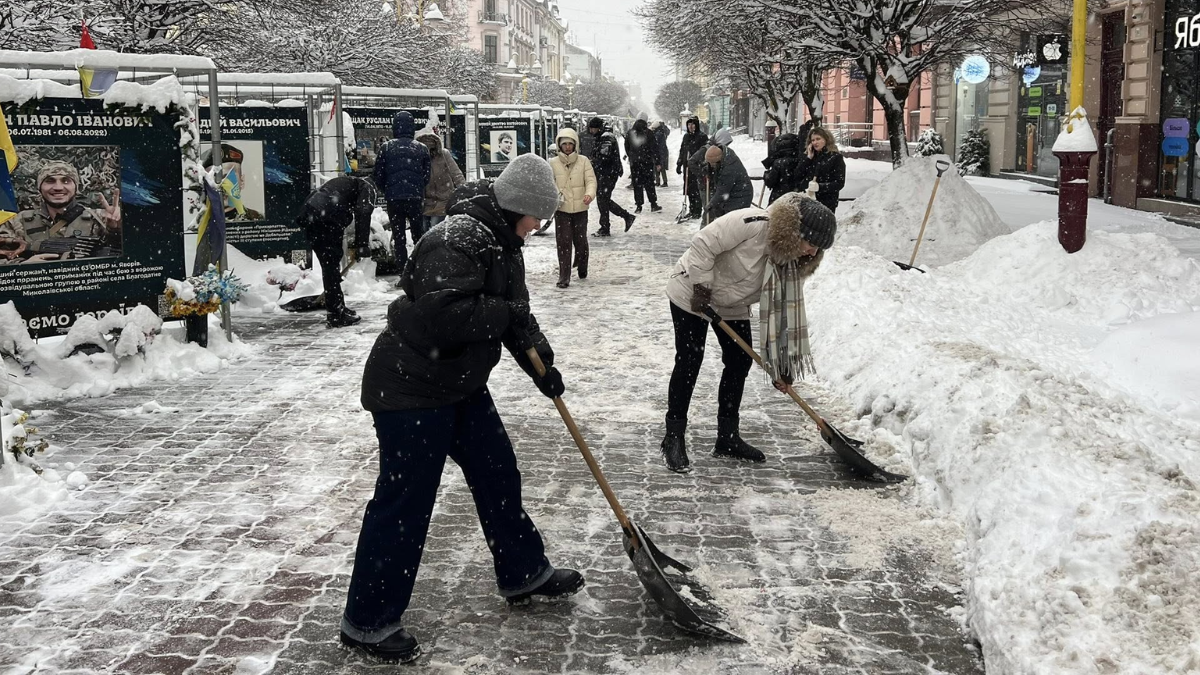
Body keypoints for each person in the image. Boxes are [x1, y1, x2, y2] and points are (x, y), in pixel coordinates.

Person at [343, 154, 584, 663]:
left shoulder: (503, 239)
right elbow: (443, 318)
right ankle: (367, 620)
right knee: (404, 503)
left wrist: (543, 364)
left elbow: (513, 315)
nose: (539, 226)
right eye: (537, 216)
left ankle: (523, 572)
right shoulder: (457, 239)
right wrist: (507, 313)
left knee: (498, 472)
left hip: (459, 383)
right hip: (410, 390)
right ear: (518, 206)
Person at [660, 192, 837, 473]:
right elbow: (703, 244)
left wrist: (783, 365)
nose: (813, 253)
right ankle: (674, 436)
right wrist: (702, 288)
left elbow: (783, 311)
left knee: (739, 362)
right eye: (812, 244)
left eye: (819, 249)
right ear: (795, 233)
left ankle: (727, 437)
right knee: (690, 361)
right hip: (693, 292)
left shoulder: (792, 260)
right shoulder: (752, 223)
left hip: (732, 303)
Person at [294, 175, 375, 328]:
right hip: (326, 218)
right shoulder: (367, 187)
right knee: (331, 266)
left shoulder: (346, 182)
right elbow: (363, 213)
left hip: (310, 214)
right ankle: (336, 314)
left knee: (329, 265)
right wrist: (362, 245)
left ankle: (338, 306)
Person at [19, 161, 121, 261]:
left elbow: (123, 256)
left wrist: (117, 229)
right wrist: (24, 266)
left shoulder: (100, 218)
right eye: (50, 181)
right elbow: (3, 258)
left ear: (76, 187)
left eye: (66, 181)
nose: (58, 187)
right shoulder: (19, 221)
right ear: (39, 187)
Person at [373, 111, 431, 272]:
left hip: (394, 198)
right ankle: (419, 268)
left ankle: (403, 270)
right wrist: (418, 188)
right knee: (418, 233)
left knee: (399, 237)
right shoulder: (421, 148)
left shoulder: (386, 148)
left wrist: (387, 189)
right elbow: (427, 175)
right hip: (415, 197)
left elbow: (378, 174)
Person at [548, 128, 597, 289]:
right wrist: (556, 195)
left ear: (575, 144)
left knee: (580, 240)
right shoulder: (552, 163)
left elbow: (590, 181)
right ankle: (564, 276)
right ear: (559, 146)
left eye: (570, 144)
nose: (567, 147)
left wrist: (589, 194)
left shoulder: (583, 161)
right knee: (563, 242)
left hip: (580, 208)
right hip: (562, 209)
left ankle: (582, 266)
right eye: (564, 144)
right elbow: (549, 183)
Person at [688, 129, 753, 223]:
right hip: (732, 194)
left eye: (712, 165)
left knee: (730, 223)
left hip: (740, 198)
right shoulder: (723, 153)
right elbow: (693, 162)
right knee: (719, 216)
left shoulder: (729, 169)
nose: (712, 167)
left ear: (718, 162)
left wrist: (711, 205)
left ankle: (715, 235)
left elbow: (722, 191)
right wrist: (706, 171)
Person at [585, 117, 635, 237]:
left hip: (607, 173)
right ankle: (620, 219)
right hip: (607, 172)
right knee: (603, 199)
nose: (591, 131)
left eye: (592, 128)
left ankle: (609, 225)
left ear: (597, 128)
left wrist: (592, 161)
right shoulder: (603, 136)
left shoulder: (606, 137)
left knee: (603, 199)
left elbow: (604, 157)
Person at [416, 129, 466, 241]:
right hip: (425, 202)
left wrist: (464, 191)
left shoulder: (444, 155)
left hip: (443, 201)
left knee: (435, 230)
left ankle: (435, 254)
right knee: (424, 233)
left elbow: (456, 174)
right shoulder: (418, 159)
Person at [794, 126, 846, 213]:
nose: (815, 142)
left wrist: (820, 187)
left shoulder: (835, 157)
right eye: (812, 140)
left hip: (826, 203)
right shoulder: (810, 157)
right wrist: (808, 159)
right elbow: (797, 175)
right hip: (807, 202)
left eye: (818, 139)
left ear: (826, 139)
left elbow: (839, 183)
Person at [625, 116, 661, 214]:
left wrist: (632, 156)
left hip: (635, 164)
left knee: (637, 184)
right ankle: (653, 203)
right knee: (649, 183)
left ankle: (639, 205)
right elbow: (654, 148)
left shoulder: (630, 133)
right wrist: (657, 161)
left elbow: (627, 147)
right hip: (647, 163)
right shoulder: (649, 133)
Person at [676, 116, 708, 220]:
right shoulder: (686, 137)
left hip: (697, 167)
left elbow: (705, 152)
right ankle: (691, 209)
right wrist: (679, 163)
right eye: (689, 124)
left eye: (693, 124)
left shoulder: (702, 137)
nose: (691, 126)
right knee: (689, 189)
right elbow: (682, 150)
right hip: (687, 167)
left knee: (697, 189)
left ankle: (697, 211)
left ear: (697, 125)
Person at [762, 133, 803, 205]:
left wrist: (766, 176)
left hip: (779, 197)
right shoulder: (800, 160)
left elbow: (771, 181)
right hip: (796, 196)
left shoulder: (778, 162)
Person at [652, 120, 671, 187]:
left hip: (660, 152)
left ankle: (661, 182)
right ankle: (660, 181)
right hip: (662, 151)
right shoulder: (661, 132)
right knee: (660, 166)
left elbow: (657, 143)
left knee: (659, 166)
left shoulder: (658, 134)